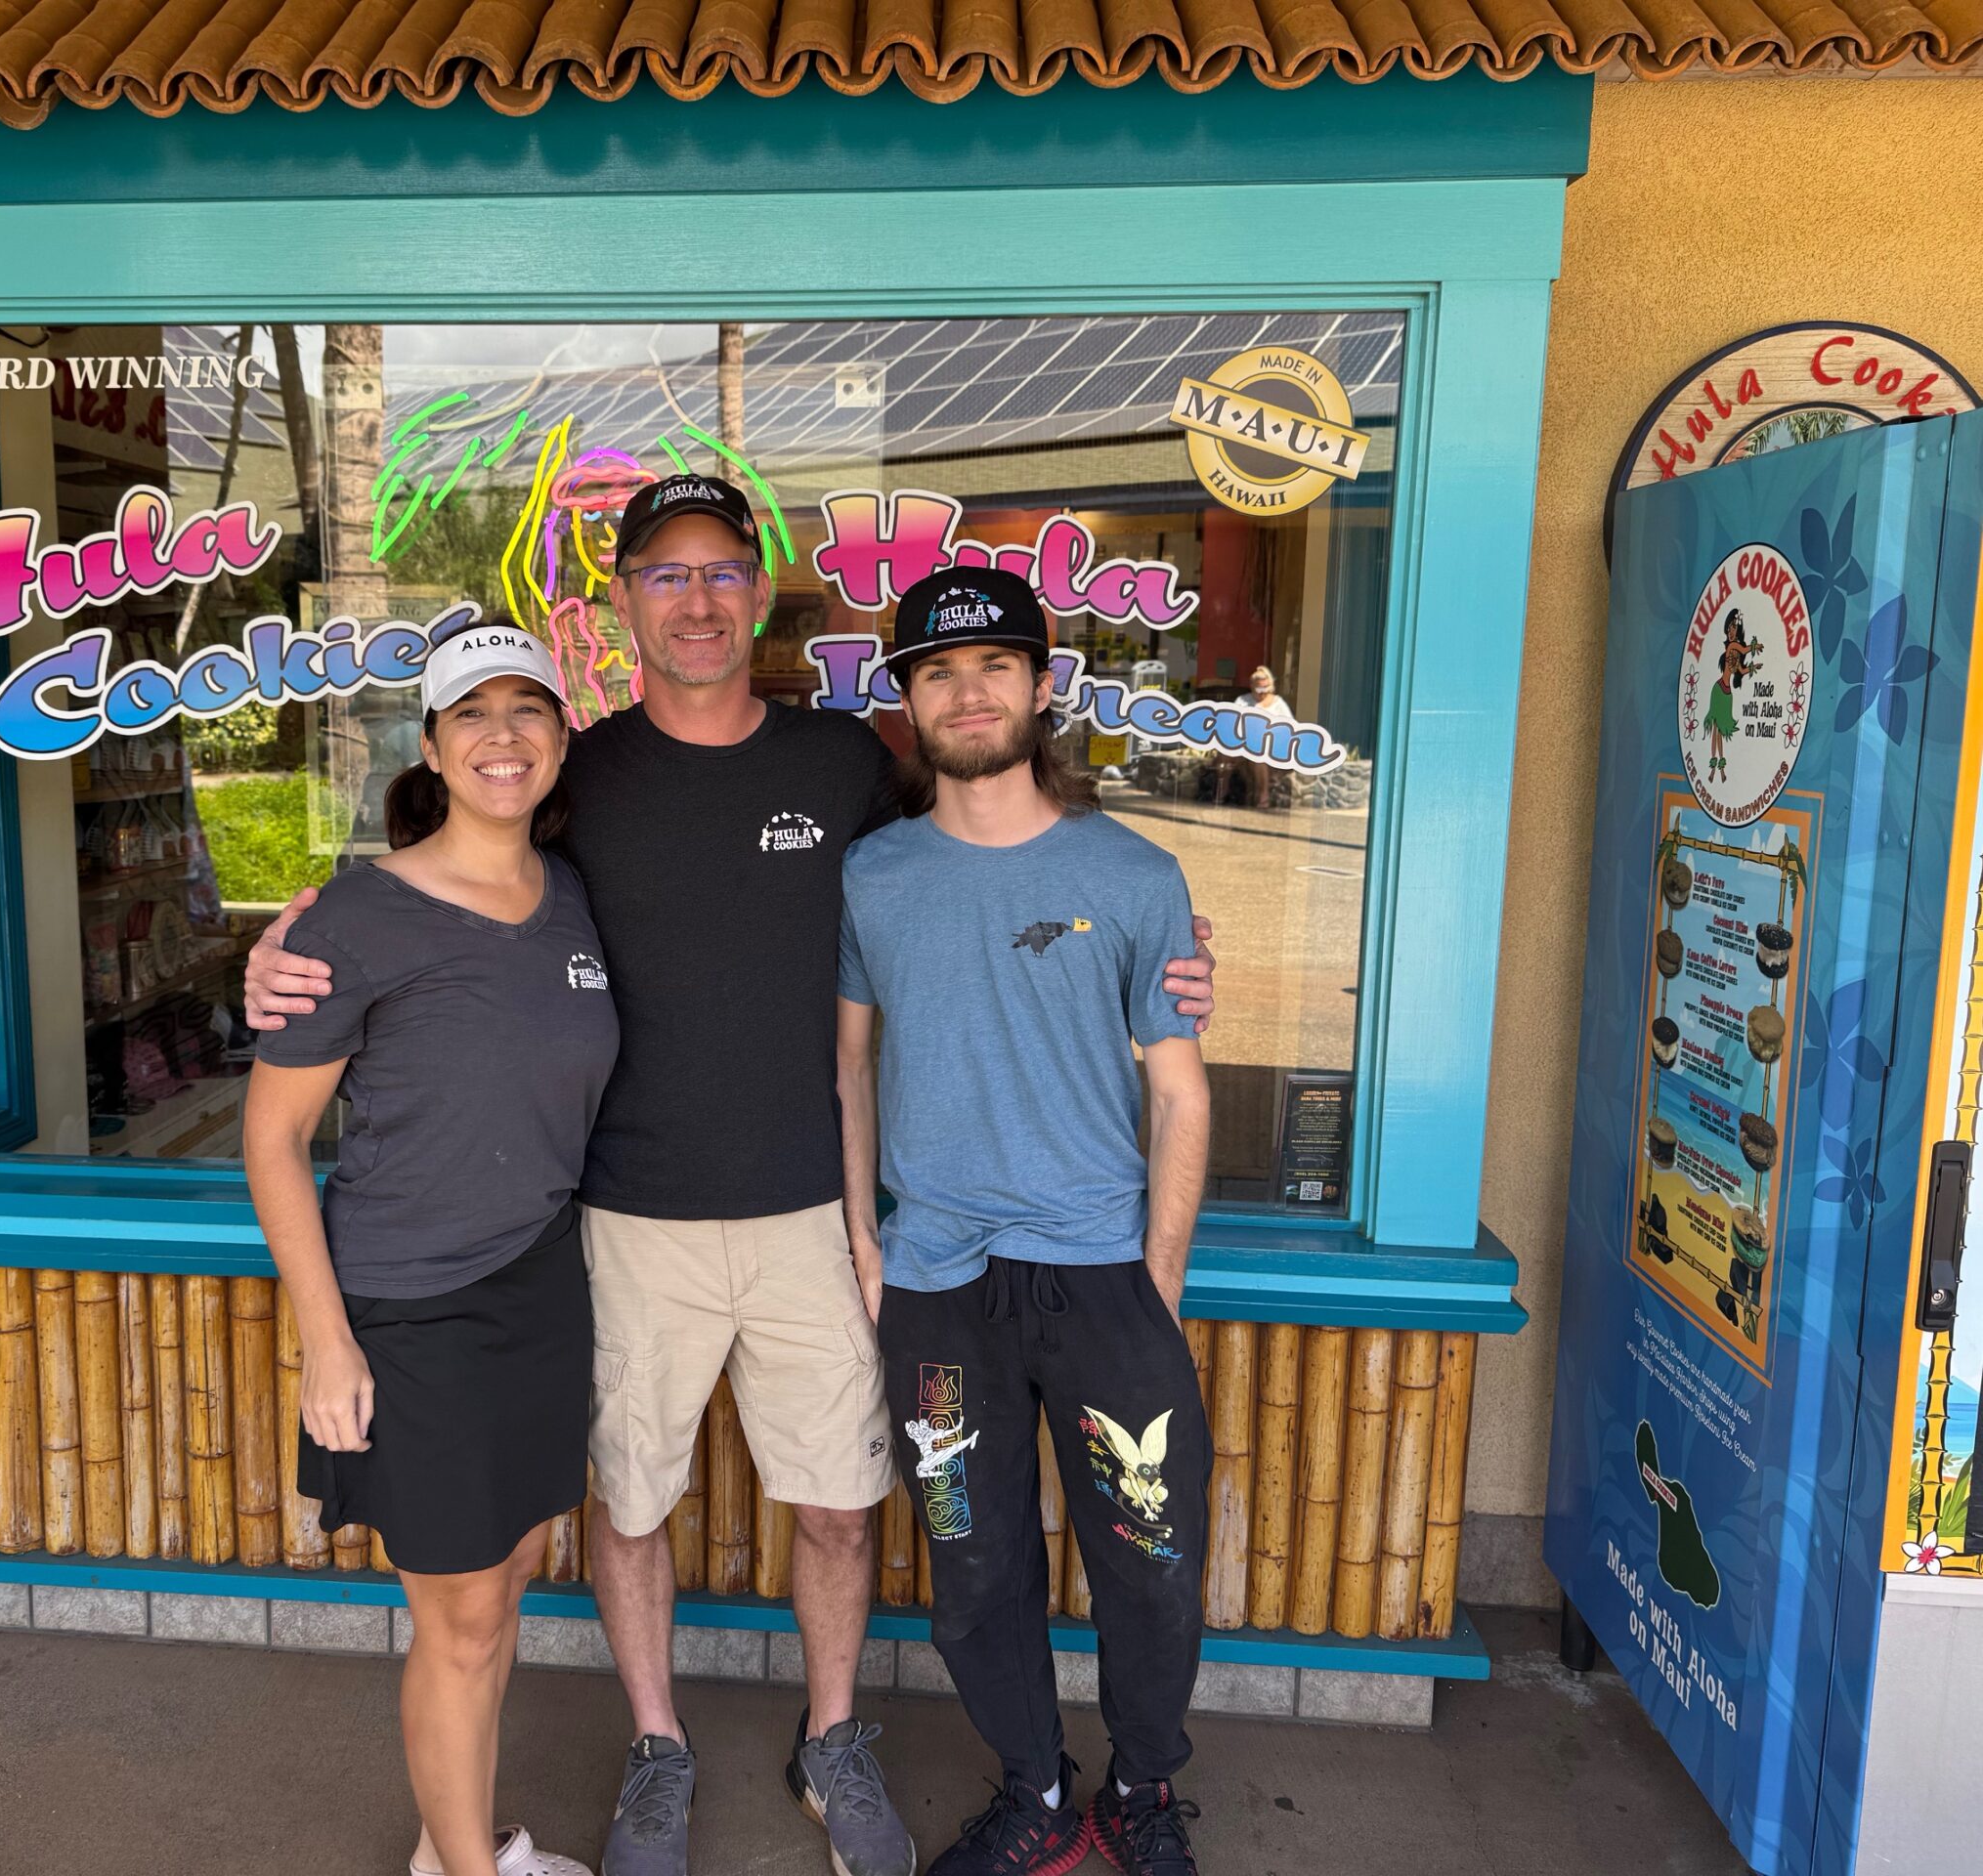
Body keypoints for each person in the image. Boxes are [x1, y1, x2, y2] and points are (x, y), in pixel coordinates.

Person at [245, 475, 1221, 1876]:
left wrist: (1169, 954)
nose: (696, 600)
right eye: (665, 574)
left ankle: (833, 1739)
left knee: (839, 1502)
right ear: (623, 603)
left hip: (817, 1220)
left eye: (721, 573)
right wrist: (285, 962)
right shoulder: (575, 776)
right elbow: (448, 880)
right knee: (631, 1508)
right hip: (623, 1219)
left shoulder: (844, 765)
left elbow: (998, 851)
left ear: (759, 594)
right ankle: (657, 1749)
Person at [836, 567, 1215, 1876]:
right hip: (939, 1281)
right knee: (974, 1567)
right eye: (938, 671)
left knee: (1151, 1560)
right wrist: (866, 1239)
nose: (969, 689)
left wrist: (1154, 1279)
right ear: (908, 702)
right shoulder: (873, 877)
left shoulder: (1132, 870)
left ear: (1041, 687)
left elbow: (1177, 1087)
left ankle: (1142, 1791)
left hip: (1104, 1275)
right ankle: (1037, 1790)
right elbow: (847, 1062)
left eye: (995, 665)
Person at [243, 620, 617, 1876]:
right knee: (458, 1619)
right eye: (473, 713)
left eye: (529, 709)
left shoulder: (571, 897)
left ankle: (447, 1845)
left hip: (539, 1285)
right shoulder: (359, 914)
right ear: (432, 745)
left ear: (563, 737)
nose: (503, 736)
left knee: (503, 1580)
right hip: (411, 1308)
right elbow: (274, 1141)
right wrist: (325, 1343)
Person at [1230, 664, 1294, 809]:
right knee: (1242, 752)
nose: (1262, 692)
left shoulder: (1278, 703)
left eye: (1265, 688)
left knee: (1257, 753)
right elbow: (1233, 722)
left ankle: (1261, 795)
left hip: (1271, 745)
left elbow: (1290, 726)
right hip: (1245, 744)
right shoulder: (1242, 701)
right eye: (1259, 688)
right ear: (1252, 686)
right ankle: (1224, 793)